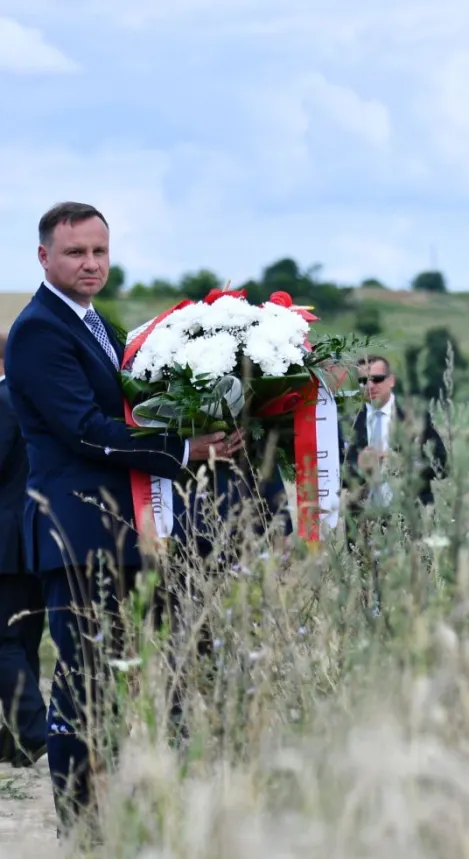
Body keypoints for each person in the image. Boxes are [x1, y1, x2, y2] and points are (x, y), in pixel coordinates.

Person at [4, 201, 239, 838]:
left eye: (99, 251)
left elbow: (130, 411)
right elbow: (84, 430)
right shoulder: (38, 331)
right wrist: (185, 450)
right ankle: (82, 829)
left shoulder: (96, 323)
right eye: (76, 252)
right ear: (44, 257)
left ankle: (158, 808)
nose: (90, 264)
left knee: (159, 675)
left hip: (130, 532)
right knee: (84, 690)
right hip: (79, 537)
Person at [343, 355, 448, 607]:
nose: (369, 385)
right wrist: (360, 467)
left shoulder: (415, 417)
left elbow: (443, 465)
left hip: (410, 515)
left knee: (414, 590)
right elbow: (342, 477)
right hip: (367, 518)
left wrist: (403, 463)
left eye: (376, 378)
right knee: (371, 594)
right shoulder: (350, 421)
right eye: (362, 381)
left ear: (391, 381)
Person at [0, 330, 46, 769]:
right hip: (35, 536)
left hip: (6, 540)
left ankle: (35, 732)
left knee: (4, 641)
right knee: (25, 639)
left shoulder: (3, 400)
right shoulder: (29, 397)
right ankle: (13, 743)